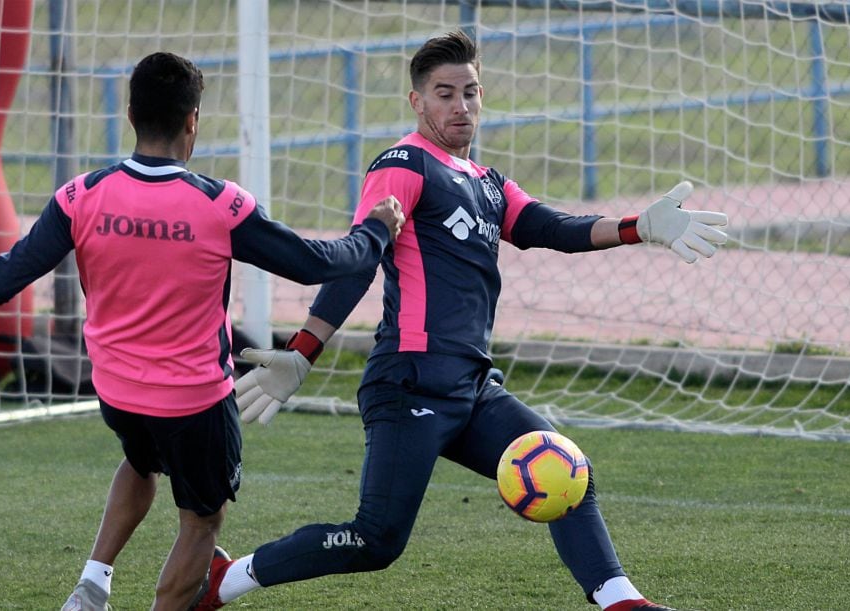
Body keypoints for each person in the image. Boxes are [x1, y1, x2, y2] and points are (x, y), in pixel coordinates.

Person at [194, 31, 728, 611]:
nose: (460, 106)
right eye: (444, 94)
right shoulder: (403, 163)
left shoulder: (488, 184)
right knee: (375, 540)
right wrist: (303, 350)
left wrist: (638, 227)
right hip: (410, 381)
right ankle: (228, 579)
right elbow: (359, 259)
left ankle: (621, 601)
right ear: (417, 102)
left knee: (567, 470)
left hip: (473, 388)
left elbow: (553, 229)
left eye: (470, 92)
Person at [0, 51, 405, 611]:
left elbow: (10, 271)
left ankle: (92, 584)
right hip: (194, 402)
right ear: (193, 120)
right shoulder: (222, 204)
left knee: (141, 462)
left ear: (132, 114)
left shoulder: (80, 196)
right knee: (203, 520)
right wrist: (376, 230)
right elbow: (318, 262)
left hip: (116, 392)